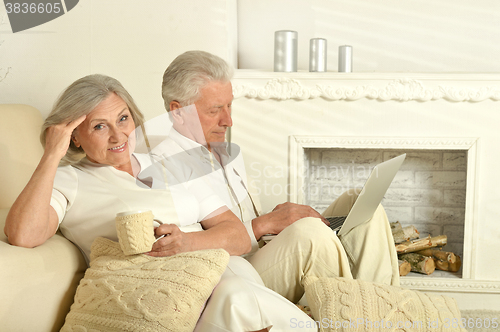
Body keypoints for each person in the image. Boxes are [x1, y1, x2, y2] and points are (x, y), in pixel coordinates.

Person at [4, 74, 316, 331]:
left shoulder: (171, 163)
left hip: (221, 271)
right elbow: (23, 235)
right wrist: (51, 155)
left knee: (243, 290)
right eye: (99, 126)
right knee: (237, 299)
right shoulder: (68, 179)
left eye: (123, 119)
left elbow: (235, 234)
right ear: (74, 136)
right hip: (165, 291)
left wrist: (186, 242)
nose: (118, 135)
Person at [151, 50, 400, 305]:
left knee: (361, 204)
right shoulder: (165, 165)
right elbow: (190, 247)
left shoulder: (224, 150)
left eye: (229, 106)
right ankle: (358, 313)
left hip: (263, 250)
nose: (229, 121)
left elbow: (245, 219)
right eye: (215, 110)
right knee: (311, 235)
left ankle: (382, 309)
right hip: (236, 274)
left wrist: (276, 219)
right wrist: (267, 223)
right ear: (178, 112)